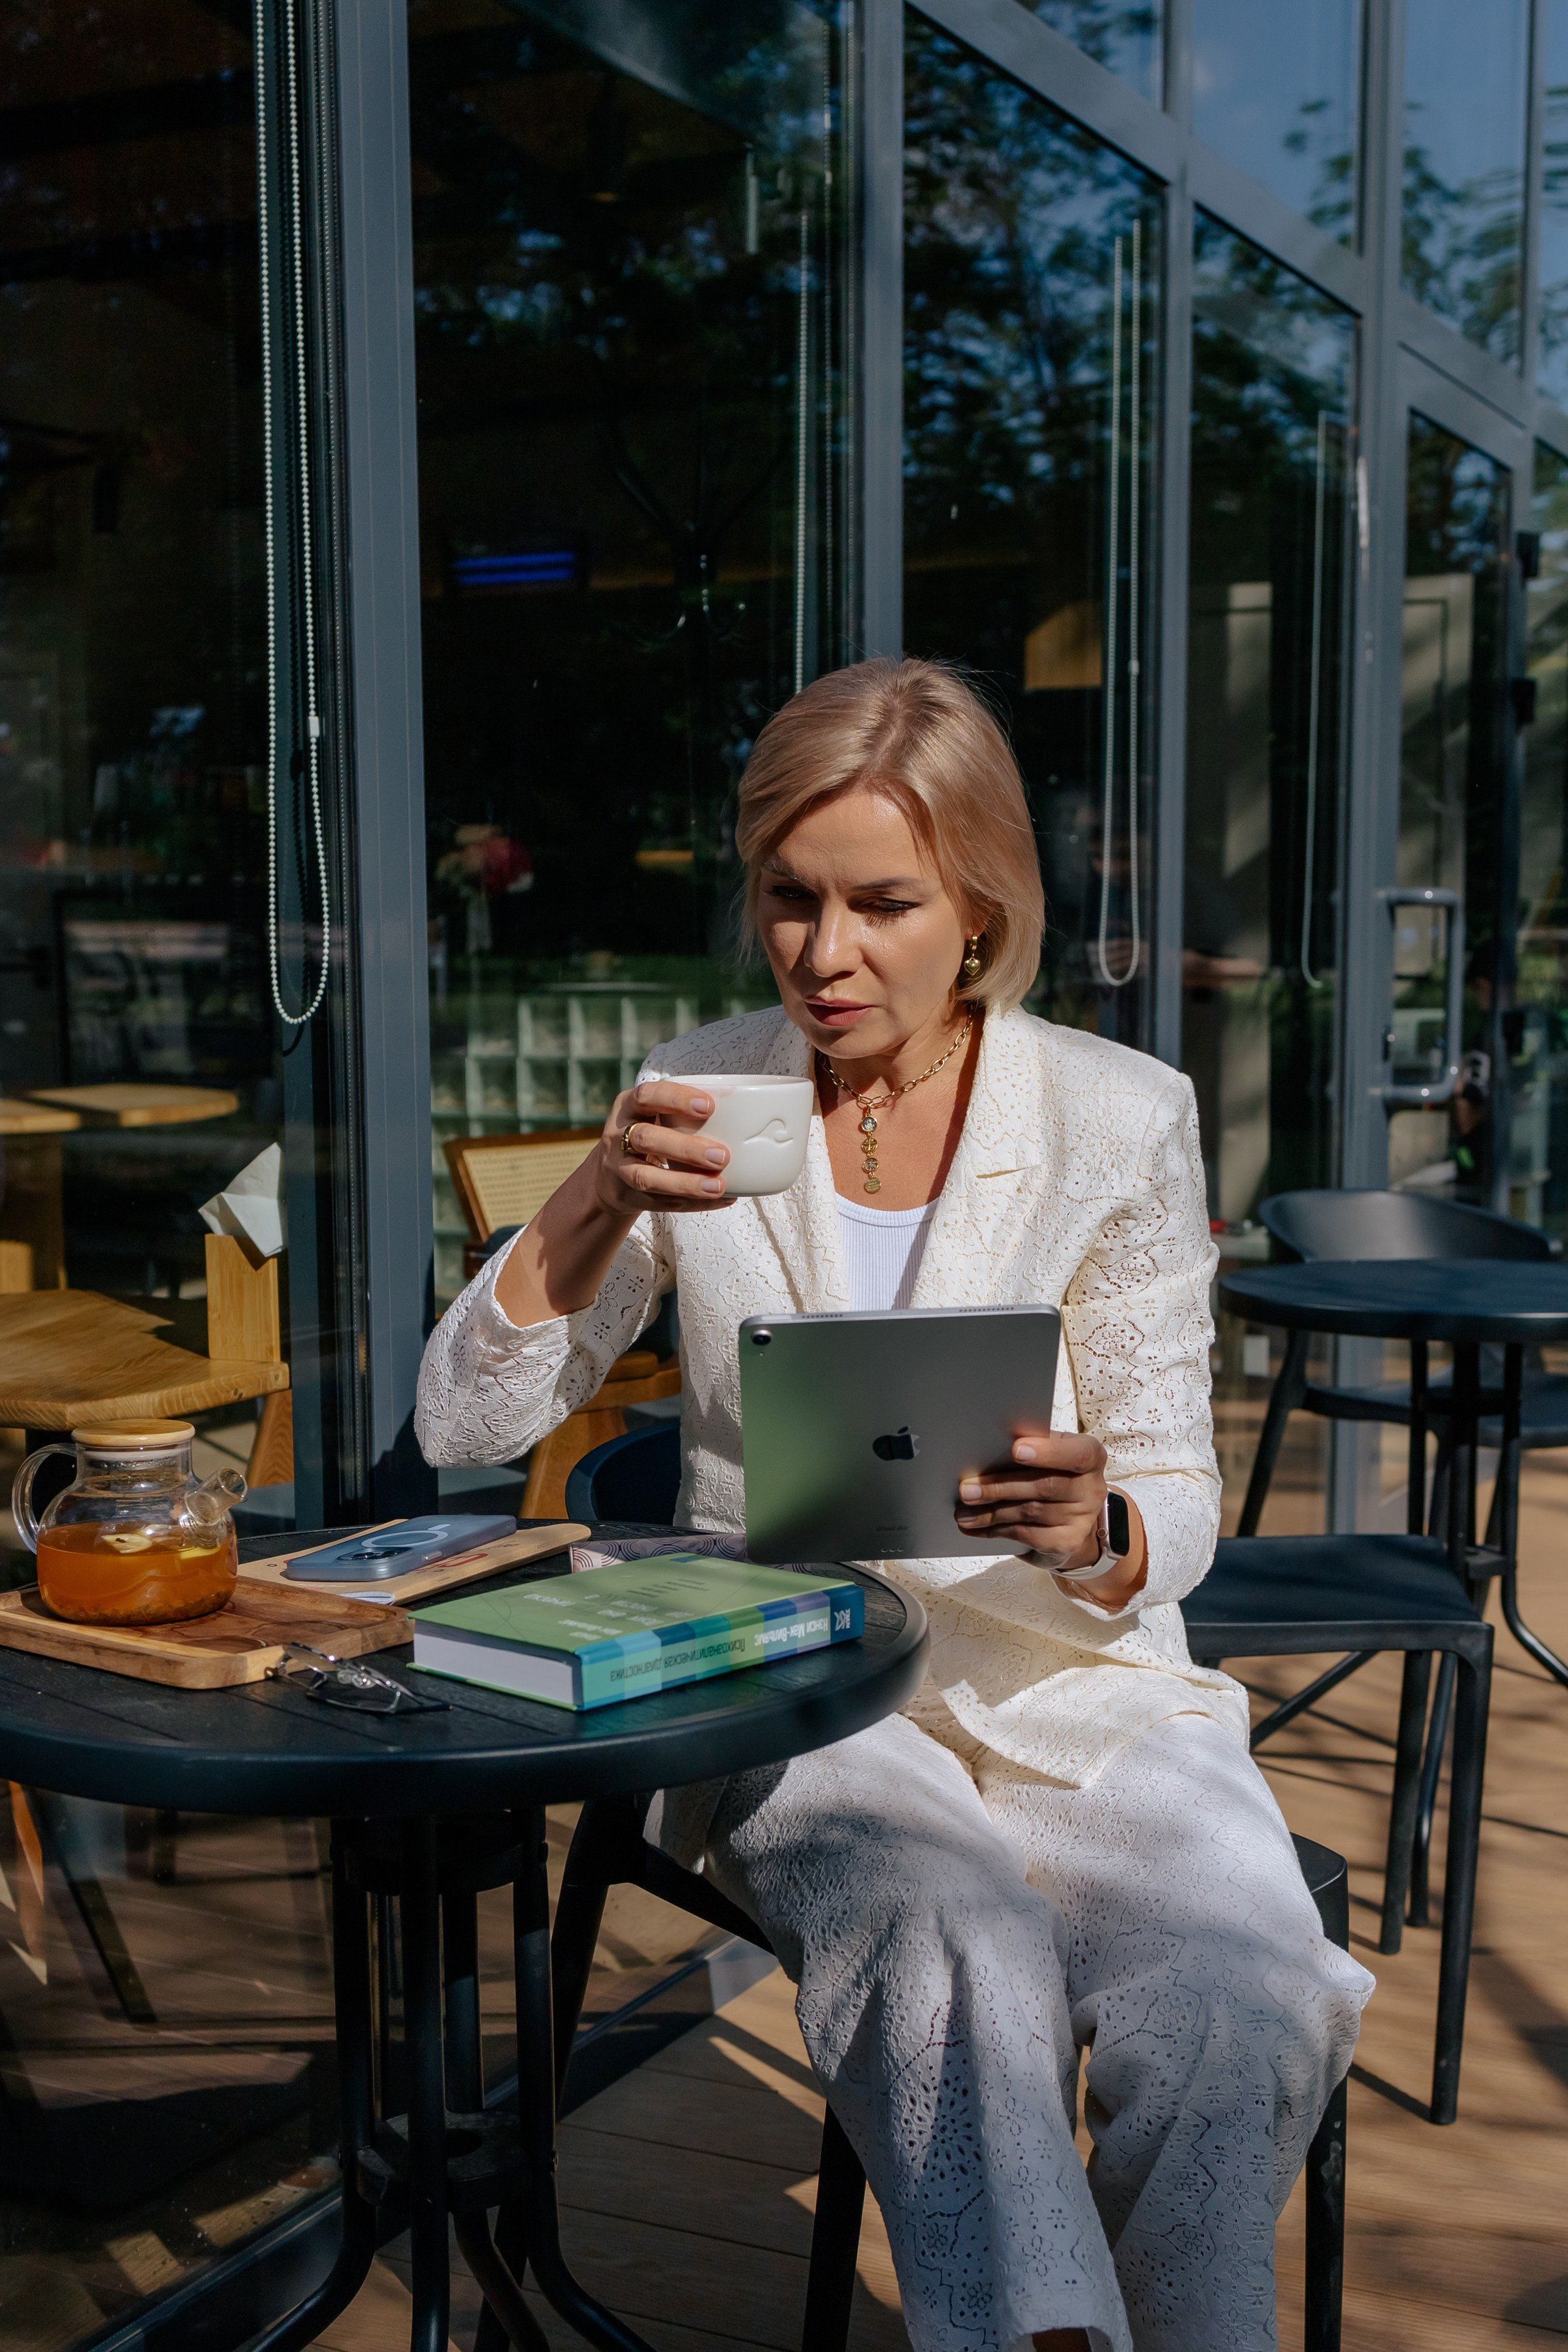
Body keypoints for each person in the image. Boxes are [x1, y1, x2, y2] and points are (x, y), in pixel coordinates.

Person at [416, 657, 1371, 2352]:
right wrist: (589, 1196)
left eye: (881, 904)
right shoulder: (703, 1092)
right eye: (789, 899)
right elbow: (460, 1426)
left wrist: (1107, 1530)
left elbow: (1176, 1480)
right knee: (954, 1942)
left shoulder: (1118, 1118)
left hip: (1071, 1677)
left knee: (1250, 1991)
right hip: (791, 1675)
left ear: (982, 910)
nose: (824, 955)